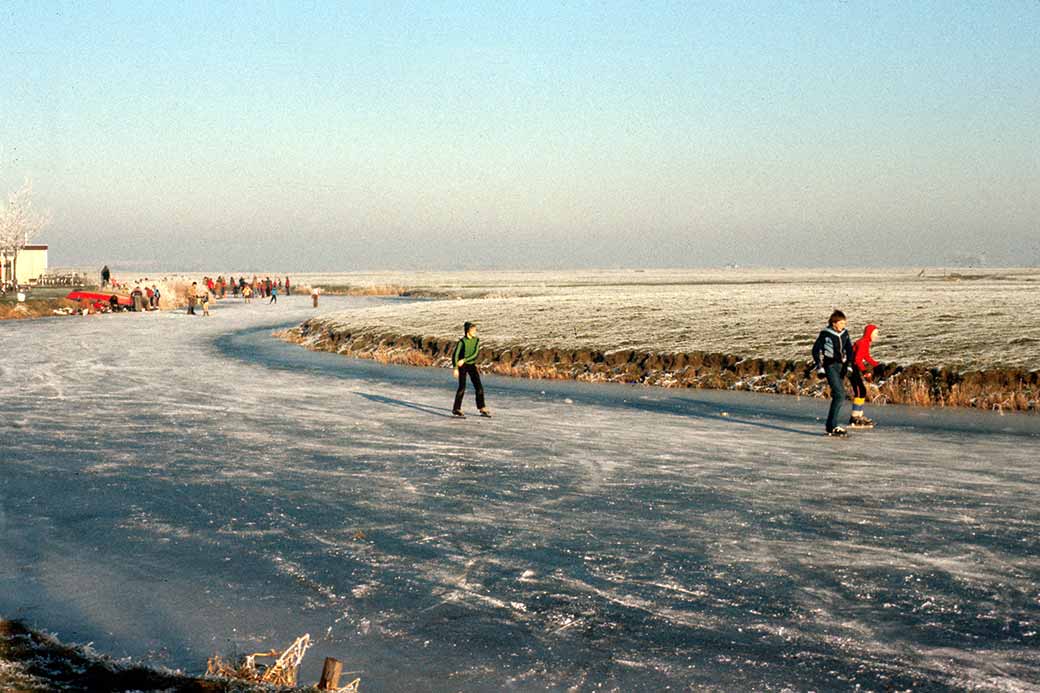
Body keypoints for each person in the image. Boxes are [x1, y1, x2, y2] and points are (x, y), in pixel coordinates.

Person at [812, 309, 854, 437]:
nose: (843, 325)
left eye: (844, 323)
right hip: (830, 366)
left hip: (841, 366)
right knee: (840, 395)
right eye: (841, 323)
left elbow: (849, 349)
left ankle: (831, 425)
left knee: (838, 395)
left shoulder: (845, 333)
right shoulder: (825, 334)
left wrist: (849, 365)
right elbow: (815, 350)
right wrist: (819, 366)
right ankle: (832, 426)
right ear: (834, 323)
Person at [452, 321, 490, 418]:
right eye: (473, 330)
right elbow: (455, 355)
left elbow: (475, 354)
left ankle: (482, 407)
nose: (475, 332)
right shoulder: (462, 342)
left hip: (471, 364)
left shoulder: (476, 340)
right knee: (462, 387)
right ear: (467, 331)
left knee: (479, 387)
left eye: (475, 330)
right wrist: (455, 368)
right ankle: (456, 409)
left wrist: (464, 359)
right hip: (462, 366)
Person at [849, 324, 880, 428]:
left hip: (853, 367)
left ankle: (858, 416)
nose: (876, 336)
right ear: (869, 333)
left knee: (861, 391)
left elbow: (866, 356)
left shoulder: (865, 342)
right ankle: (854, 418)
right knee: (859, 391)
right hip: (850, 368)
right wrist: (865, 372)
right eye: (875, 333)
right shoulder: (863, 342)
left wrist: (876, 365)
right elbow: (858, 359)